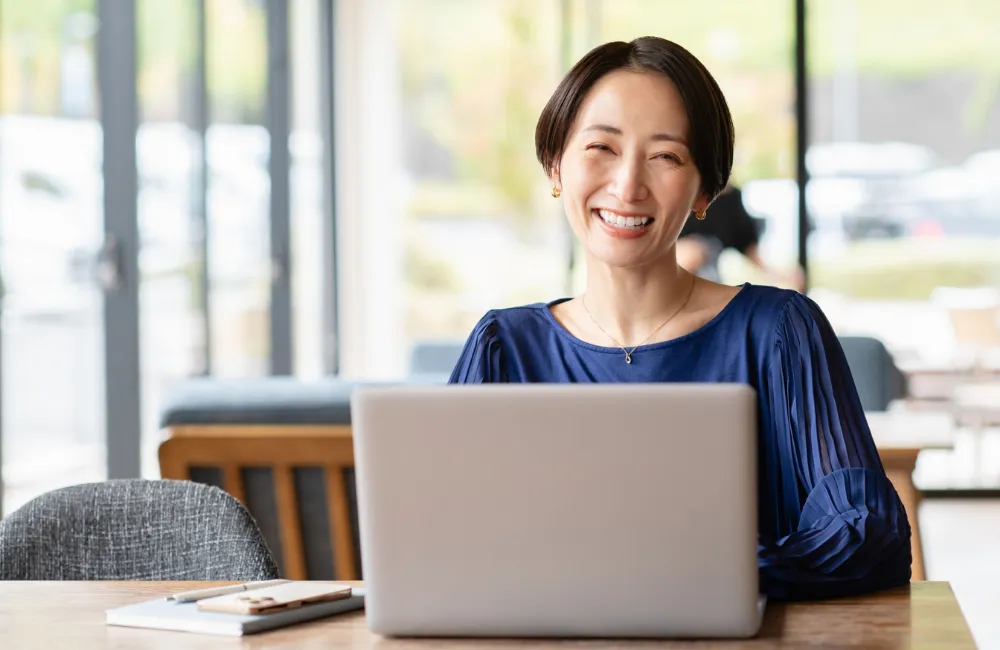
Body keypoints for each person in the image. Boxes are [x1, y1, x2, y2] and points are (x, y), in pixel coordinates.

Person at [449, 36, 911, 601]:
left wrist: (697, 573)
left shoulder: (782, 330)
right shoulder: (503, 345)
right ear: (555, 166)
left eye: (665, 156)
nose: (627, 185)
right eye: (601, 147)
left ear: (705, 191)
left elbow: (870, 534)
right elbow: (444, 538)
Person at [676, 183, 805, 290]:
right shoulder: (678, 194)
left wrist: (783, 275)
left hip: (706, 293)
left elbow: (751, 251)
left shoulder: (731, 200)